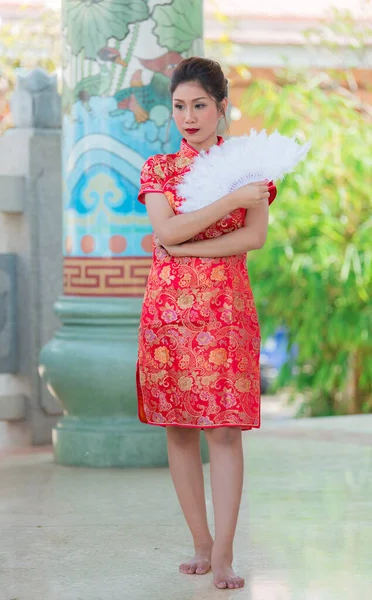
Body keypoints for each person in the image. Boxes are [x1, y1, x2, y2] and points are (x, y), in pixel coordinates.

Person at [136, 57, 277, 590]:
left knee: (223, 428)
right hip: (168, 313)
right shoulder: (157, 169)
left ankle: (223, 553)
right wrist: (228, 205)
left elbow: (253, 238)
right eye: (179, 107)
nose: (188, 117)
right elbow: (166, 231)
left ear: (222, 107)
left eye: (199, 105)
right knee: (179, 428)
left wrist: (187, 248)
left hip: (225, 310)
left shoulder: (251, 167)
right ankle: (198, 542)